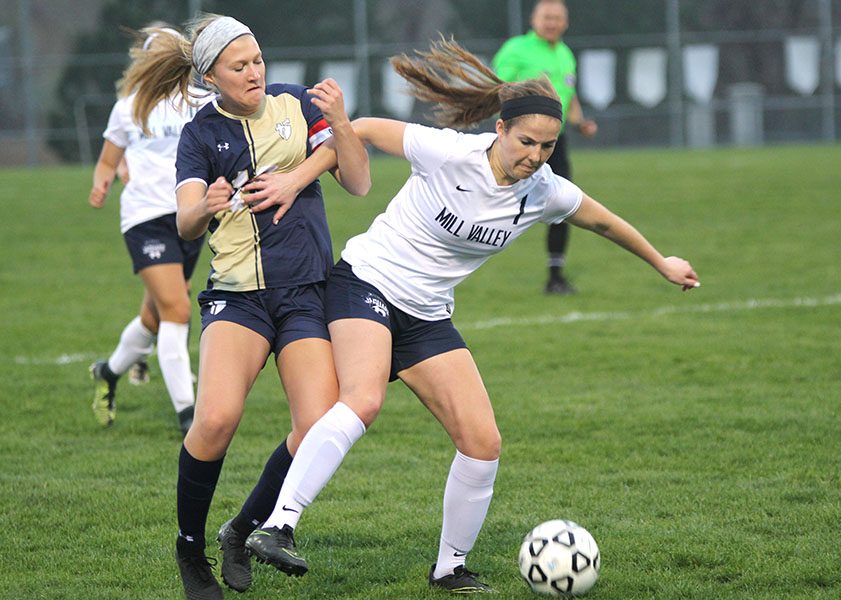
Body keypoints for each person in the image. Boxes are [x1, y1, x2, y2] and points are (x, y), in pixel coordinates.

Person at [243, 38, 699, 594]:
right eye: (526, 141)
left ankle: (448, 569)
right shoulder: (449, 151)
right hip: (366, 281)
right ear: (501, 130)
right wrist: (296, 177)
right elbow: (359, 128)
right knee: (362, 399)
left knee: (483, 442)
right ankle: (278, 526)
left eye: (547, 147)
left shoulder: (544, 191)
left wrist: (661, 261)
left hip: (428, 315)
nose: (534, 155)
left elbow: (601, 221)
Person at [118, 14, 371, 600]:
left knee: (315, 427)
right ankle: (189, 548)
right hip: (238, 296)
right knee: (214, 420)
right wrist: (204, 205)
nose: (256, 71)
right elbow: (183, 220)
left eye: (258, 59)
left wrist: (328, 136)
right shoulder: (201, 135)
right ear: (211, 77)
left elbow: (355, 178)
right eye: (240, 65)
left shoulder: (292, 103)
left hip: (307, 292)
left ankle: (242, 530)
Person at [89, 25, 213, 435]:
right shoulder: (129, 105)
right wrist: (102, 181)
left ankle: (108, 372)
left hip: (190, 217)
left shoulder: (200, 100)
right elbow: (109, 158)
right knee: (177, 308)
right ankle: (188, 415)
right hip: (145, 219)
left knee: (155, 314)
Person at [493, 0, 599, 295]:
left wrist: (580, 123)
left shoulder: (565, 53)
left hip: (555, 142)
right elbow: (498, 88)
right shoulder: (516, 49)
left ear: (565, 22)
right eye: (546, 16)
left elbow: (570, 95)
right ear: (533, 19)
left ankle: (555, 276)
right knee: (497, 199)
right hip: (519, 140)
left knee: (563, 204)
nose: (552, 22)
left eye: (557, 18)